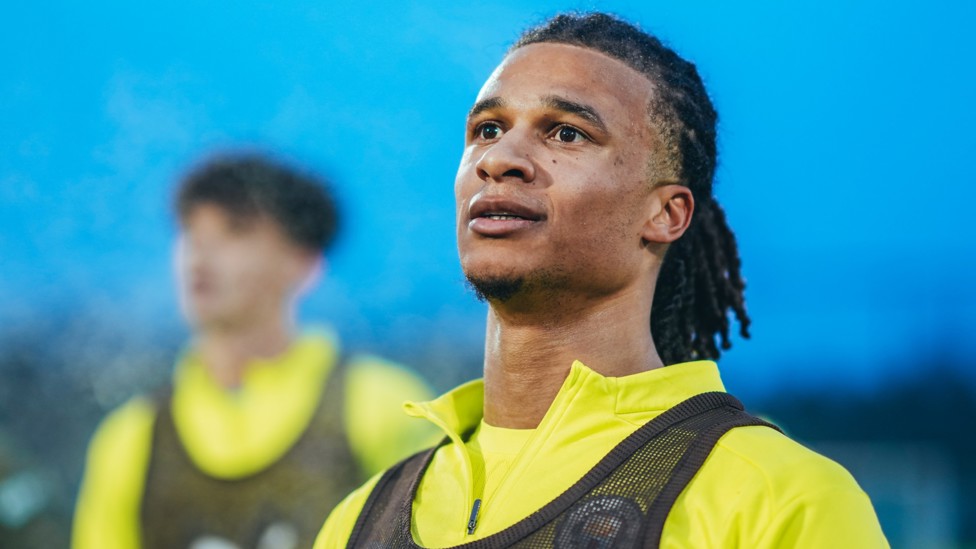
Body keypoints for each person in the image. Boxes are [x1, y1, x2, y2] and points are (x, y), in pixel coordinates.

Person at [316, 12, 888, 548]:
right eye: (488, 129)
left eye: (566, 134)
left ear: (665, 215)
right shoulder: (359, 518)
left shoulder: (779, 498)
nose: (501, 159)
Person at [72, 154, 437, 549]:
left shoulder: (385, 406)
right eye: (190, 230)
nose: (201, 253)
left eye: (235, 230)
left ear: (302, 261)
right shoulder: (131, 437)